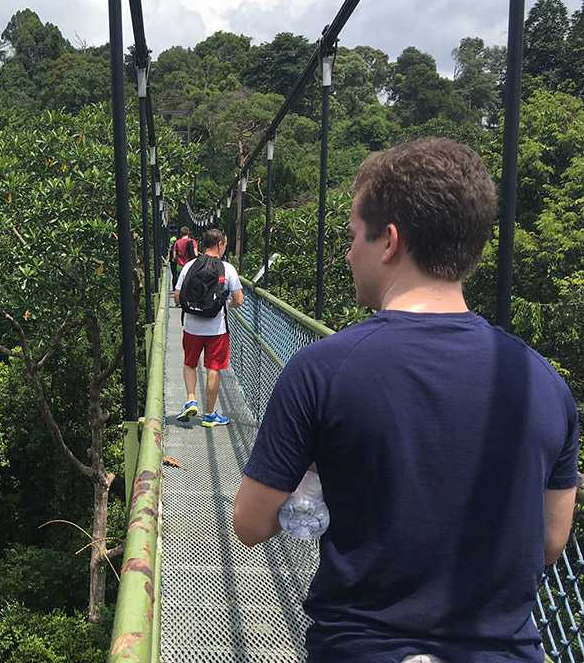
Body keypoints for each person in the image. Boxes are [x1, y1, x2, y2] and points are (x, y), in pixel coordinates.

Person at [233, 138, 580, 663]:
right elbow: (552, 542)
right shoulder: (545, 384)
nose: (348, 253)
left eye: (353, 237)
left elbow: (251, 524)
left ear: (389, 241)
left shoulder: (322, 371)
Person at [173, 228, 244, 427]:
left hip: (192, 327)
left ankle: (191, 400)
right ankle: (210, 415)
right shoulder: (227, 268)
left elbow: (178, 297)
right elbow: (239, 300)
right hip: (217, 330)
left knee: (190, 363)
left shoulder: (189, 266)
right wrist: (224, 304)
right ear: (220, 244)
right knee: (213, 368)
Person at [170, 226, 197, 298]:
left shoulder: (177, 243)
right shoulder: (192, 242)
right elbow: (196, 254)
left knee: (180, 284)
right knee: (190, 282)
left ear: (181, 234)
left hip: (180, 266)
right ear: (188, 233)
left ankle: (179, 300)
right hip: (190, 266)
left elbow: (174, 256)